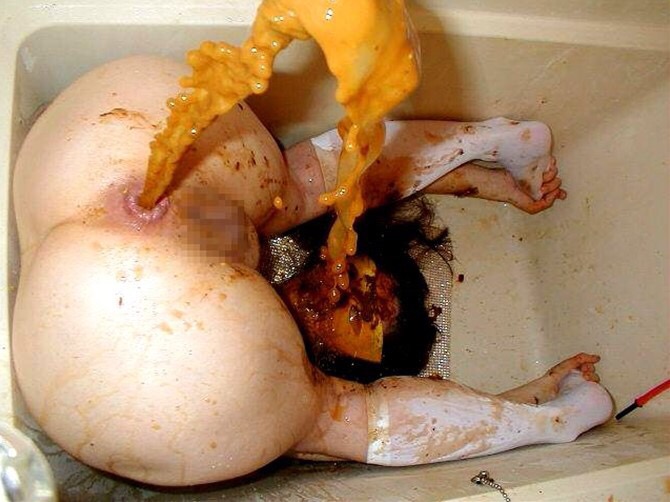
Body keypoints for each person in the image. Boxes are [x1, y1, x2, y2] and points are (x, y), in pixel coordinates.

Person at [11, 55, 612, 487]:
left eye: (361, 317)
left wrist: (530, 399)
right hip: (144, 182)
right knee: (304, 195)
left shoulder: (253, 332)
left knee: (331, 411)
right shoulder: (234, 243)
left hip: (111, 132)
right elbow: (350, 184)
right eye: (362, 280)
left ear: (344, 361)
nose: (340, 290)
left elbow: (372, 418)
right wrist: (482, 181)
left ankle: (554, 419)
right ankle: (498, 140)